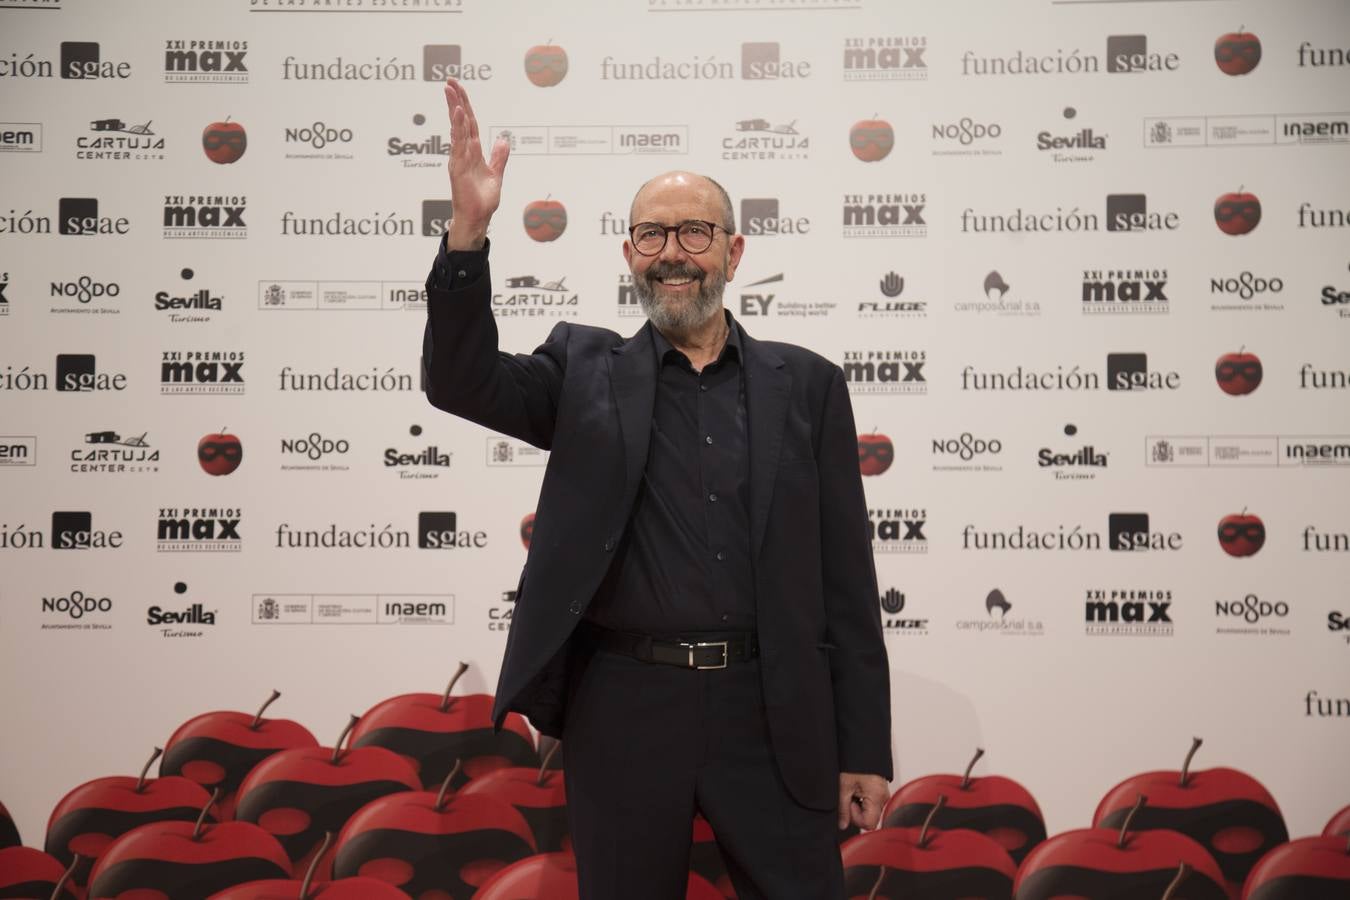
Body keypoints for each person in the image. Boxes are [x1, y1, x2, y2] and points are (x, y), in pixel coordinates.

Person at [422, 78, 892, 900]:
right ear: (630, 252)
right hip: (624, 706)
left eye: (693, 232)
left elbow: (848, 584)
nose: (672, 251)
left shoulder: (809, 386)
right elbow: (458, 381)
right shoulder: (581, 370)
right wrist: (467, 233)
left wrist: (866, 747)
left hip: (772, 708)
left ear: (734, 251)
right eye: (651, 234)